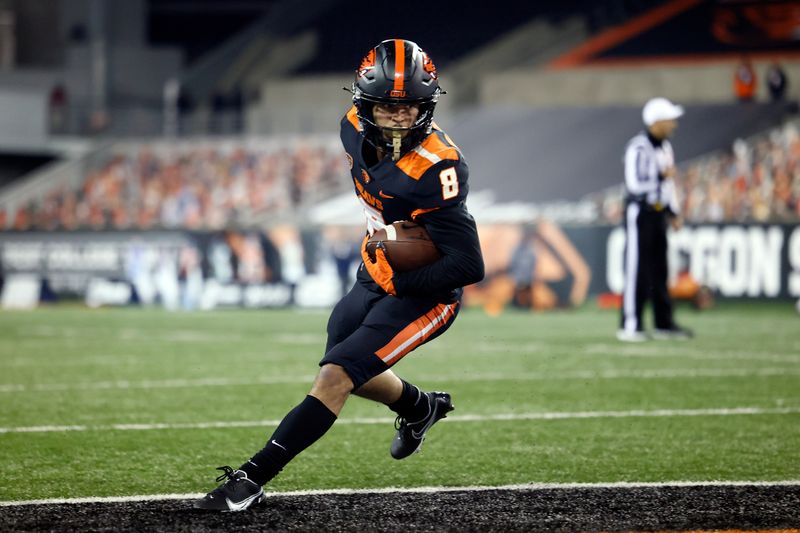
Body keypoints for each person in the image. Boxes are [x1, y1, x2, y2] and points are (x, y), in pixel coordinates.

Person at [195, 39, 485, 511]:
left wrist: (402, 280)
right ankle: (420, 407)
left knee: (336, 374)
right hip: (374, 271)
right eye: (386, 108)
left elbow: (470, 265)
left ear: (427, 106)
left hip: (426, 292)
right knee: (347, 364)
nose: (398, 118)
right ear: (363, 105)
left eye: (410, 107)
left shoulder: (439, 166)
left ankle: (249, 480)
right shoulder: (352, 128)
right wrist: (385, 262)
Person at [617, 97, 693, 342]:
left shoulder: (665, 147)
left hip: (659, 213)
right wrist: (661, 176)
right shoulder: (638, 147)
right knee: (636, 269)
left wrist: (673, 212)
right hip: (640, 213)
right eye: (669, 119)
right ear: (656, 121)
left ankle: (664, 323)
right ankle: (631, 323)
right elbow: (635, 184)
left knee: (661, 270)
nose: (674, 124)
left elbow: (668, 187)